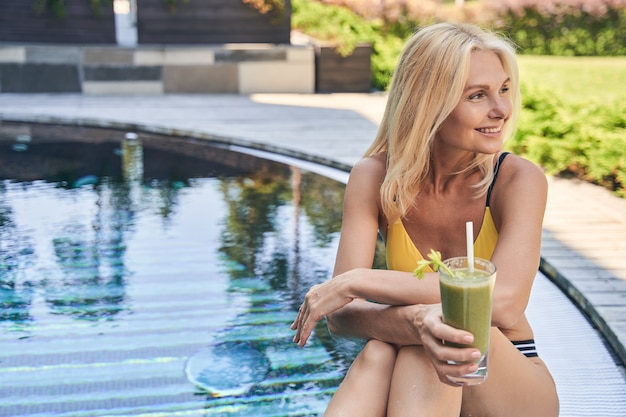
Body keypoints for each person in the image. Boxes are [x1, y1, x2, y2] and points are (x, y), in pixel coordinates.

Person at [290, 22, 560, 417]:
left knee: (429, 342)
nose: (502, 110)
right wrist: (419, 321)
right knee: (384, 353)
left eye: (503, 89)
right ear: (428, 103)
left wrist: (358, 280)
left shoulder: (518, 180)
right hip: (415, 363)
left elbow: (502, 304)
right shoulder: (375, 177)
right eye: (477, 95)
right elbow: (341, 317)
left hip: (509, 378)